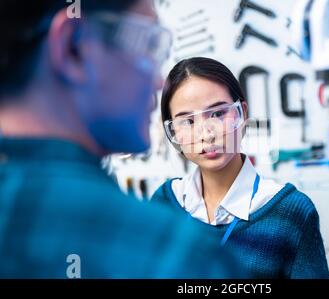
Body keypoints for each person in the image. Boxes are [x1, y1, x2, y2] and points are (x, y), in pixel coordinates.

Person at [0, 0, 239, 278]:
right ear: (72, 47)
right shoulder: (176, 255)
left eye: (218, 113)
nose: (160, 82)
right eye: (150, 44)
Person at [151, 57, 329, 278]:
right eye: (188, 121)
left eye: (218, 113)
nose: (207, 134)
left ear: (242, 113)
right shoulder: (165, 203)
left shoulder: (291, 212)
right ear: (173, 131)